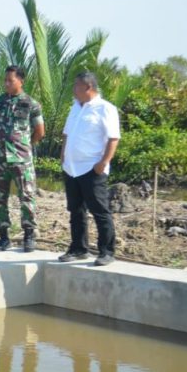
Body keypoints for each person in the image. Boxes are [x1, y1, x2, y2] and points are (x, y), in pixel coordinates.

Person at [59, 72, 121, 266]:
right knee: (76, 211)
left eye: (76, 85)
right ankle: (78, 248)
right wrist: (63, 156)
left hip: (91, 168)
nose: (73, 89)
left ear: (88, 87)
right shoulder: (75, 108)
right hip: (72, 168)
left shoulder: (105, 108)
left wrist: (103, 162)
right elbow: (67, 135)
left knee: (100, 211)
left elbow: (113, 138)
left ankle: (107, 252)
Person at [0, 66, 45, 252]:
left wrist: (24, 146)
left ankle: (29, 235)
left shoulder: (31, 103)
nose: (6, 83)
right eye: (5, 80)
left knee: (27, 197)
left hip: (21, 158)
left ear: (21, 81)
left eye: (10, 80)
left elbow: (39, 131)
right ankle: (4, 237)